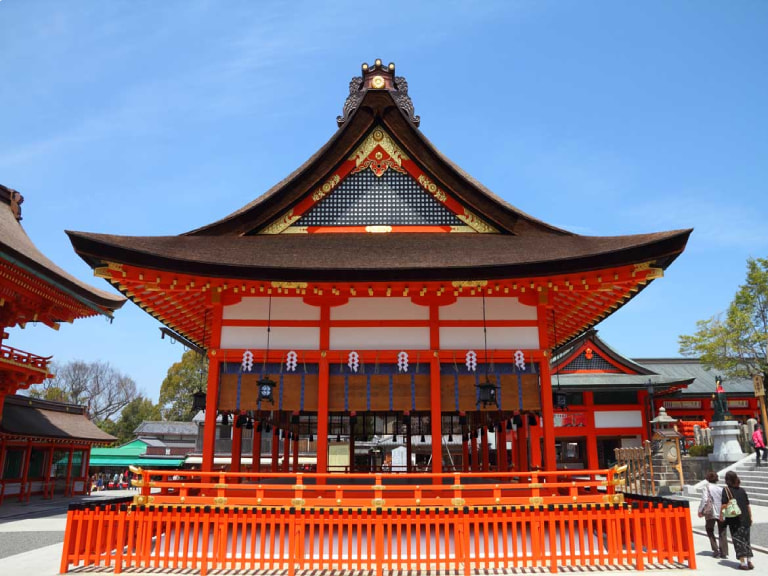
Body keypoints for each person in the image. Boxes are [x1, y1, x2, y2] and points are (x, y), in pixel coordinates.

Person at [721, 471, 753, 570]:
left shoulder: (726, 490)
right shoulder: (742, 490)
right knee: (747, 540)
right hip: (746, 518)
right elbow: (747, 505)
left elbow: (724, 504)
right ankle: (749, 561)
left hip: (735, 519)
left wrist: (721, 514)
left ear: (727, 480)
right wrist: (750, 517)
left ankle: (743, 564)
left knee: (738, 540)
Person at [699, 471, 728, 558]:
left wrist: (700, 510)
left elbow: (704, 500)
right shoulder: (721, 489)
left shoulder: (706, 488)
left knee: (709, 529)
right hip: (721, 512)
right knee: (722, 531)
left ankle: (715, 550)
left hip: (710, 512)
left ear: (707, 479)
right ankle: (724, 552)